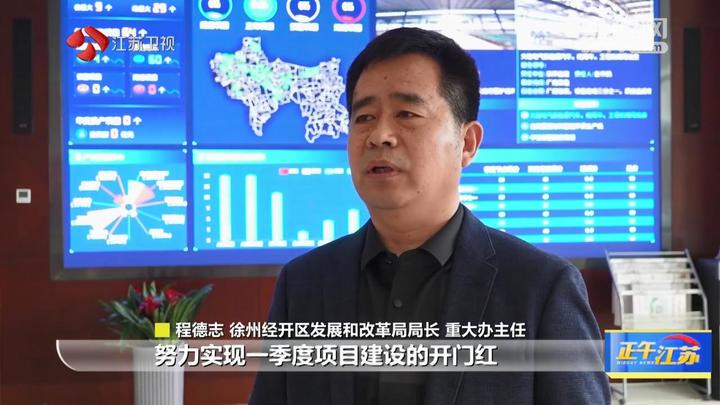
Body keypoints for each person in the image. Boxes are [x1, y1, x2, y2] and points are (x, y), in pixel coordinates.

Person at [249, 27, 611, 405]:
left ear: (466, 143)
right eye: (364, 117)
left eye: (407, 113)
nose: (379, 135)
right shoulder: (303, 284)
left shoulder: (540, 288)